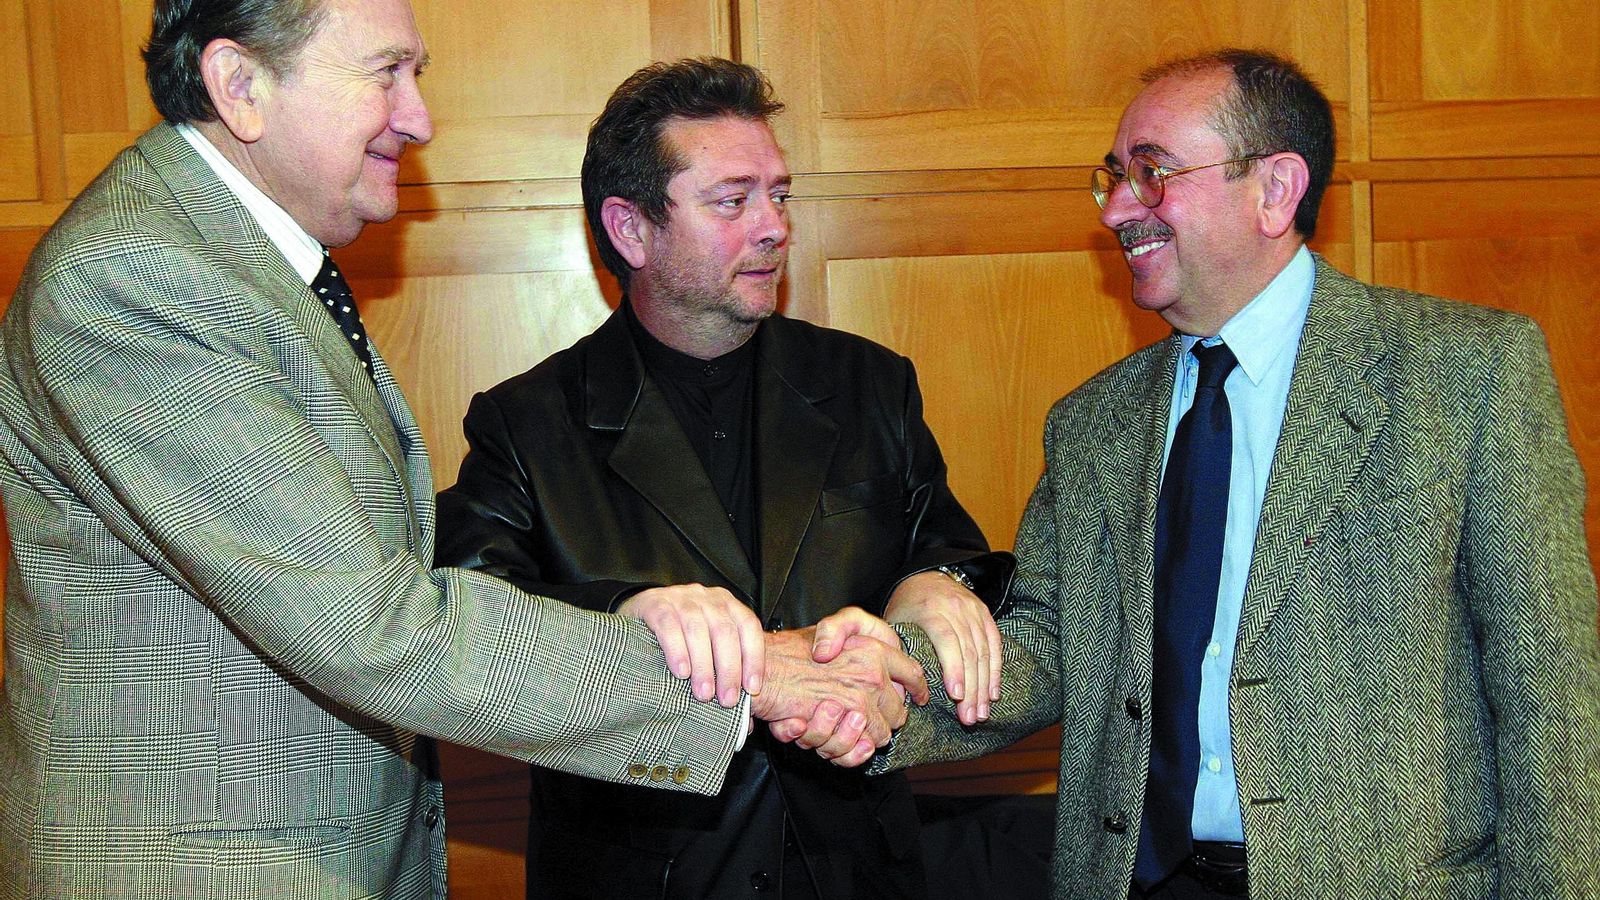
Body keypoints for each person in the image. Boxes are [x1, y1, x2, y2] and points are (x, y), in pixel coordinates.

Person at [0, 5, 923, 898]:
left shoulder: (241, 265)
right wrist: (754, 672)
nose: (419, 118)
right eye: (385, 73)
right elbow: (375, 623)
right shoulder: (143, 275)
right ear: (239, 84)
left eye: (418, 75)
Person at [848, 48, 1600, 899]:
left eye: (1152, 173)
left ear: (1275, 190)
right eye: (1114, 177)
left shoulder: (1466, 374)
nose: (1118, 210)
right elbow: (1047, 647)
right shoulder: (1093, 421)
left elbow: (1551, 697)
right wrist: (879, 686)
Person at [434, 57, 1012, 899]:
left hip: (856, 868)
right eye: (733, 201)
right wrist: (627, 614)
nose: (774, 226)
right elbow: (467, 619)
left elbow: (943, 545)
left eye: (779, 195)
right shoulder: (526, 423)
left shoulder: (868, 385)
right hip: (649, 877)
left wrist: (938, 581)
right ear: (631, 230)